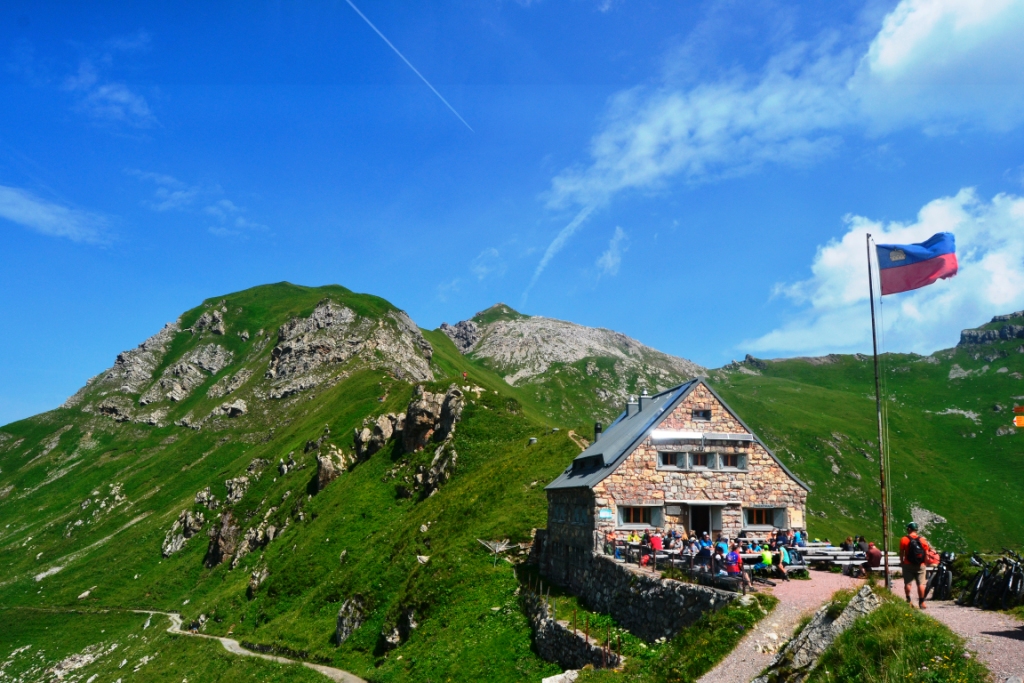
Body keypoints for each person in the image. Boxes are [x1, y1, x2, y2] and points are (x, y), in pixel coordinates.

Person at [899, 522, 931, 609]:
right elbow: (927, 553)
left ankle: (908, 600)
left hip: (907, 564)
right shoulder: (922, 540)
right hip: (920, 565)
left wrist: (902, 562)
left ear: (909, 529)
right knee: (921, 584)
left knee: (908, 583)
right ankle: (922, 602)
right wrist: (925, 563)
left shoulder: (904, 539)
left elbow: (901, 552)